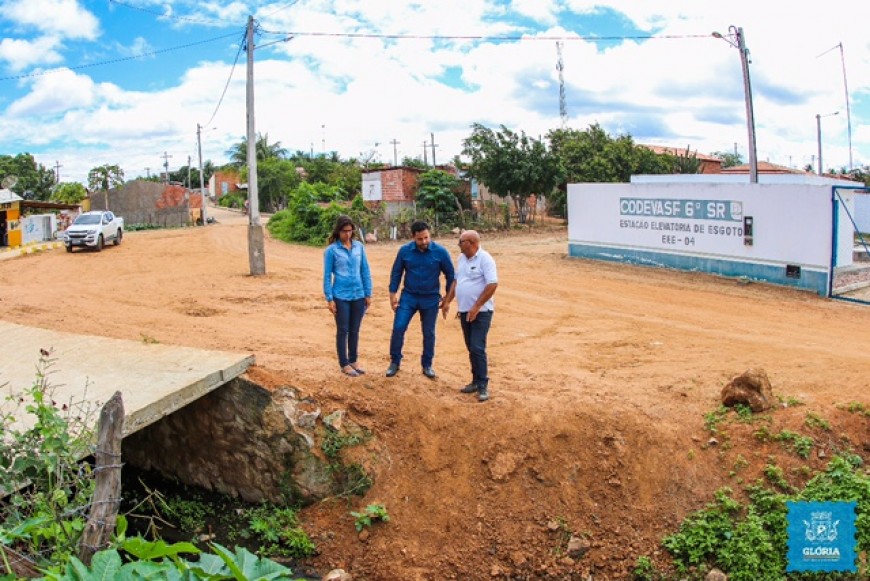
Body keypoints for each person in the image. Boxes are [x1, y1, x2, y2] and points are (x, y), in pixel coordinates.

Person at [386, 220, 455, 379]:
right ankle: (395, 362)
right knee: (398, 328)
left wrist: (447, 299)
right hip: (408, 297)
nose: (424, 242)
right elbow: (396, 272)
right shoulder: (404, 251)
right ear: (413, 237)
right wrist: (392, 294)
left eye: (426, 238)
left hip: (431, 299)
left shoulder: (440, 252)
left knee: (429, 333)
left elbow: (451, 275)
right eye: (420, 239)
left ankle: (427, 365)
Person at [442, 230, 498, 402]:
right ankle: (475, 381)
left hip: (481, 313)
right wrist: (447, 301)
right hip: (465, 311)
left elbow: (492, 284)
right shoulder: (461, 259)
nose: (459, 244)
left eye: (461, 241)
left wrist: (477, 306)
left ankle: (483, 385)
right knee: (470, 347)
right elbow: (456, 282)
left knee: (477, 347)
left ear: (472, 243)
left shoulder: (485, 259)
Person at [323, 215, 372, 377]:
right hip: (341, 296)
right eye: (345, 231)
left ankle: (354, 360)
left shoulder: (359, 247)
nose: (348, 234)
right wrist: (329, 298)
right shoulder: (331, 250)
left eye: (351, 231)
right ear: (338, 231)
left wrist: (368, 293)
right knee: (343, 330)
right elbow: (327, 276)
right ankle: (344, 363)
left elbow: (365, 270)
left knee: (355, 329)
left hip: (358, 294)